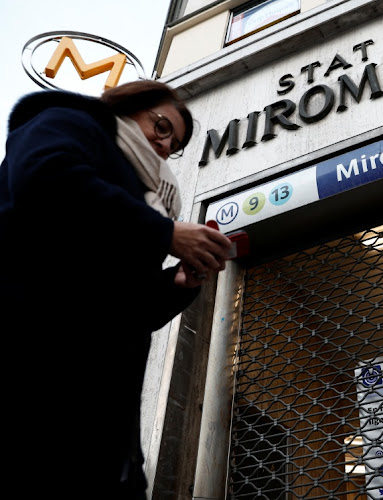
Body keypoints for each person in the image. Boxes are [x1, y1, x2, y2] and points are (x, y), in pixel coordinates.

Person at [0, 80, 232, 498]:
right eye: (161, 127)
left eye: (174, 143)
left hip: (104, 407)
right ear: (127, 106)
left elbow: (125, 308)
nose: (164, 146)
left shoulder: (146, 198)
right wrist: (164, 232)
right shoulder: (68, 122)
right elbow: (45, 179)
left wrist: (178, 282)